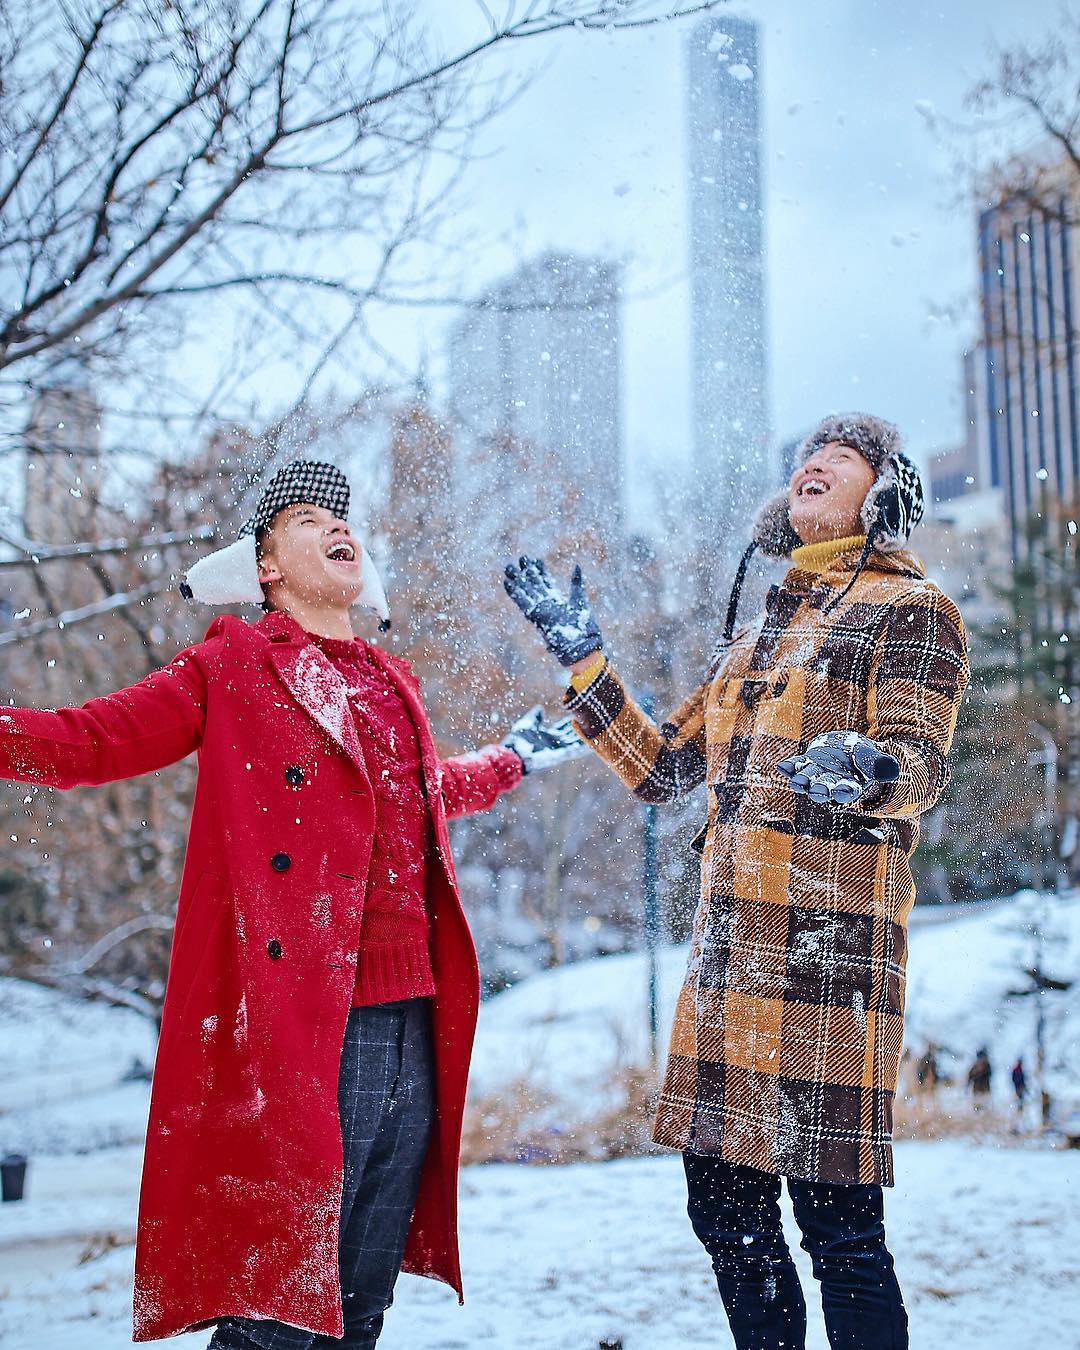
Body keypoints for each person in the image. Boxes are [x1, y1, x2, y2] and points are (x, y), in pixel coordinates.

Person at [0, 460, 584, 1348]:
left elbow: (421, 792)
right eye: (307, 518)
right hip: (312, 1017)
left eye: (342, 518)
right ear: (265, 566)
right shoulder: (233, 665)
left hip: (414, 1016)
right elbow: (91, 741)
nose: (337, 527)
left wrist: (511, 760)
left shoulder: (389, 680)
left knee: (361, 1304)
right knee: (279, 1310)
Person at [506, 414, 970, 1350]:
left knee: (841, 1235)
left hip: (829, 959)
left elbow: (920, 764)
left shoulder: (913, 610)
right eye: (805, 456)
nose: (813, 463)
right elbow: (662, 768)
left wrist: (871, 770)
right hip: (729, 967)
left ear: (883, 496)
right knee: (727, 1219)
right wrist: (584, 661)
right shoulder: (757, 633)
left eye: (842, 456)